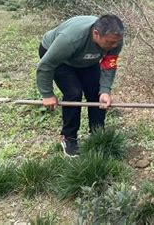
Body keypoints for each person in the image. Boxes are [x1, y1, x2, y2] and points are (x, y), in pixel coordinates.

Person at [37, 14, 124, 156]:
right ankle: (69, 138)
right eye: (110, 43)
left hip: (85, 59)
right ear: (96, 34)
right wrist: (47, 94)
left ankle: (97, 133)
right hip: (57, 57)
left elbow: (109, 65)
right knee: (74, 92)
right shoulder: (71, 39)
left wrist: (105, 90)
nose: (114, 46)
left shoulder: (115, 39)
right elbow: (46, 65)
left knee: (96, 93)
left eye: (116, 43)